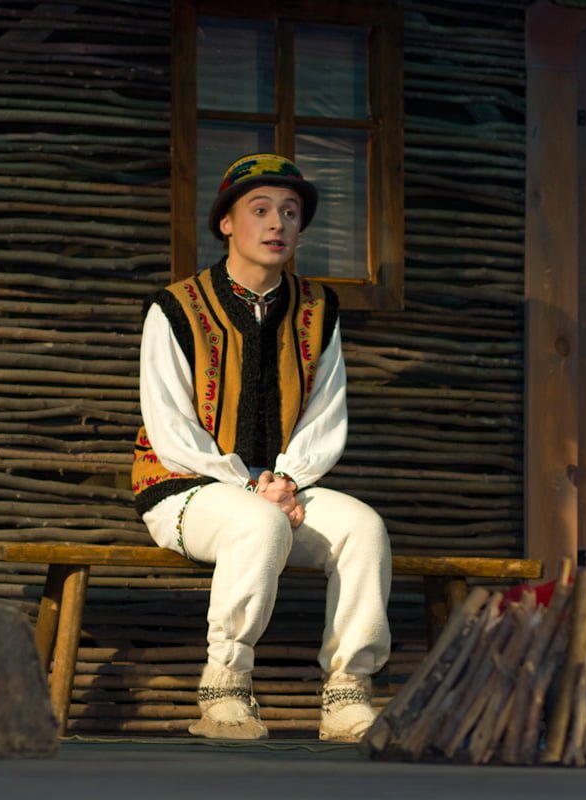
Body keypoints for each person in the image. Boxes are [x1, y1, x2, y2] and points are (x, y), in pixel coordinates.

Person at [131, 153, 392, 742]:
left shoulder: (317, 309)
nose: (277, 223)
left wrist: (288, 479)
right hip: (183, 487)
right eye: (260, 209)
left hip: (282, 491)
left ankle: (348, 692)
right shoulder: (175, 307)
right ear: (226, 223)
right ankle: (225, 686)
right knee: (259, 523)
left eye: (291, 212)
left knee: (363, 528)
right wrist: (251, 486)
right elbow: (170, 428)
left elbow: (325, 412)